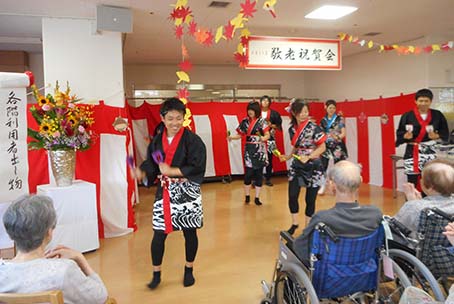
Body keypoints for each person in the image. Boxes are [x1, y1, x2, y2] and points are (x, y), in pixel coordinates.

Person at [134, 97, 207, 289]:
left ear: (184, 117)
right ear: (163, 118)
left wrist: (173, 171)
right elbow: (153, 162)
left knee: (190, 232)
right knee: (159, 233)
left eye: (178, 118)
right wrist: (143, 171)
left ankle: (188, 269)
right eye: (170, 118)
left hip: (187, 191)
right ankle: (156, 274)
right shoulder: (157, 140)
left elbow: (198, 165)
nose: (175, 123)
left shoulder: (193, 140)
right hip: (165, 191)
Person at [0, 195, 108, 304]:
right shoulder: (63, 271)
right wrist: (80, 259)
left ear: (10, 234)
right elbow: (99, 297)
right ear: (49, 232)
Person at [293, 160, 383, 264]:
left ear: (332, 185)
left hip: (329, 275)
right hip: (365, 272)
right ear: (360, 181)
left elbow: (301, 248)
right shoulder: (375, 214)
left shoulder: (322, 218)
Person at [278, 99, 326, 235]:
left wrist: (310, 156)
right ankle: (294, 223)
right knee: (292, 196)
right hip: (297, 164)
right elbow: (296, 146)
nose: (304, 114)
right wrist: (288, 156)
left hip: (313, 165)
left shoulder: (314, 128)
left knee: (310, 199)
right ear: (294, 113)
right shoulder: (292, 129)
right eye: (300, 112)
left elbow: (323, 146)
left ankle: (307, 227)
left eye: (306, 111)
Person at [395, 88, 450, 188]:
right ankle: (411, 202)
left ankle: (428, 203)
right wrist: (405, 136)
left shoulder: (437, 115)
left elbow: (445, 132)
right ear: (415, 101)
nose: (423, 103)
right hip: (412, 150)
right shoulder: (407, 116)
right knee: (411, 181)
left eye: (426, 101)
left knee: (429, 180)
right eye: (421, 101)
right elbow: (400, 133)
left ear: (430, 101)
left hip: (429, 149)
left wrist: (436, 136)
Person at [394, 159, 454, 238]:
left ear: (428, 186)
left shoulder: (414, 207)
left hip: (417, 249)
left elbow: (395, 231)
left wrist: (412, 204)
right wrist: (416, 203)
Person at [228, 101, 270, 205]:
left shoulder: (262, 122)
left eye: (252, 110)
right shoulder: (244, 121)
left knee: (259, 174)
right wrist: (231, 137)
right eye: (249, 110)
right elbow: (240, 134)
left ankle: (257, 197)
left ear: (257, 111)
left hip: (259, 149)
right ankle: (247, 195)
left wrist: (263, 138)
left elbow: (267, 135)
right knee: (248, 174)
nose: (250, 112)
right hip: (249, 149)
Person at [318, 99, 348, 195]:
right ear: (325, 108)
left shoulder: (339, 119)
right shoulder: (323, 120)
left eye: (334, 108)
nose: (332, 110)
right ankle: (322, 185)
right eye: (330, 107)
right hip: (326, 146)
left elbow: (344, 133)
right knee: (323, 166)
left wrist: (337, 137)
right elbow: (320, 134)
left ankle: (338, 187)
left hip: (337, 146)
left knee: (338, 167)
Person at [260, 95, 282, 186]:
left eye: (267, 101)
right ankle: (257, 178)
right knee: (258, 158)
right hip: (259, 139)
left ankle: (268, 178)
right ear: (260, 102)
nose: (265, 102)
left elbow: (279, 126)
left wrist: (271, 125)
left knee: (269, 158)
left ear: (269, 102)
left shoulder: (274, 113)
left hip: (270, 139)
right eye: (263, 101)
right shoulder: (257, 113)